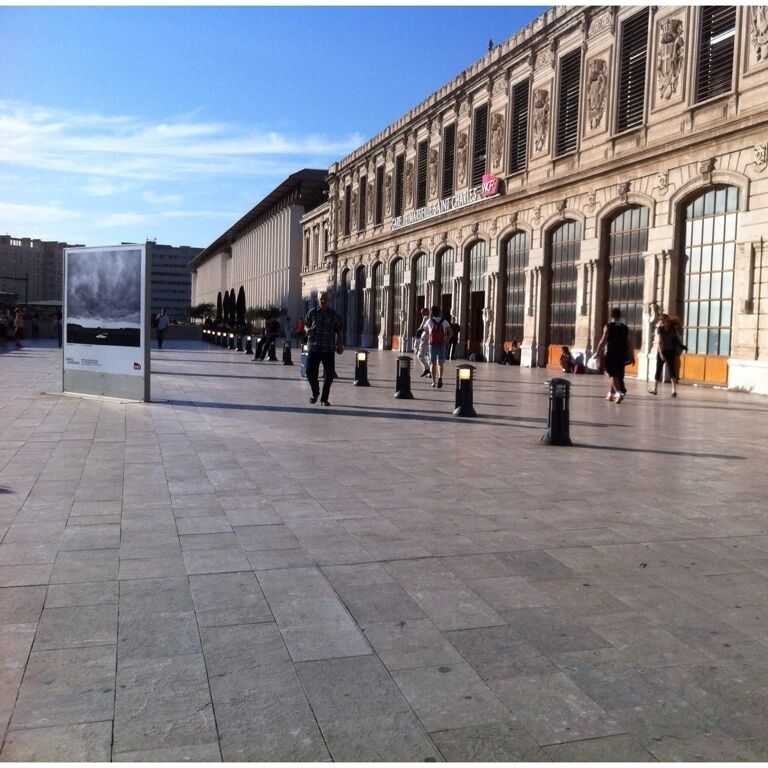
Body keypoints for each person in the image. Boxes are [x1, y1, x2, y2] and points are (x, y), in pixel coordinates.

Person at [305, 292, 344, 406]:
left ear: (329, 301)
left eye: (325, 299)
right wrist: (307, 330)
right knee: (309, 373)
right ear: (318, 300)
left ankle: (324, 399)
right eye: (321, 299)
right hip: (314, 347)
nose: (323, 301)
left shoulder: (334, 315)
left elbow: (339, 330)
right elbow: (305, 325)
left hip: (328, 349)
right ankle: (315, 392)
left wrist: (340, 344)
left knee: (329, 375)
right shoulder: (312, 313)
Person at [596, 307, 633, 403]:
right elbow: (629, 343)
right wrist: (632, 356)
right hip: (621, 355)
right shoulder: (625, 328)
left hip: (611, 354)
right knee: (617, 375)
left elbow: (602, 341)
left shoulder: (608, 326)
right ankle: (611, 394)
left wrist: (597, 352)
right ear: (620, 316)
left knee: (612, 375)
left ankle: (618, 393)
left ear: (611, 316)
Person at [649, 313, 686, 398]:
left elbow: (660, 342)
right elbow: (675, 340)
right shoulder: (672, 329)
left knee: (658, 370)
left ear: (663, 320)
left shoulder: (660, 329)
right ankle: (674, 391)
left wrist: (661, 354)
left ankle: (655, 389)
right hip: (671, 351)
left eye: (660, 320)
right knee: (672, 370)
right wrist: (681, 345)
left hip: (663, 351)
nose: (660, 321)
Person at [425, 306, 452, 389]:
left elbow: (425, 329)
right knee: (440, 363)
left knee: (433, 363)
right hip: (441, 344)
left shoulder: (429, 321)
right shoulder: (444, 321)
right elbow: (451, 332)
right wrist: (446, 340)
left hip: (432, 344)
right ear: (439, 312)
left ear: (431, 312)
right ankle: (440, 377)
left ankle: (434, 382)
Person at [414, 307, 431, 378]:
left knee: (420, 356)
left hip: (425, 339)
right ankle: (429, 373)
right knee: (428, 357)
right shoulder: (430, 319)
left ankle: (427, 369)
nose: (422, 314)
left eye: (422, 313)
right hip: (430, 339)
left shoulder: (426, 318)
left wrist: (417, 333)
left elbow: (421, 328)